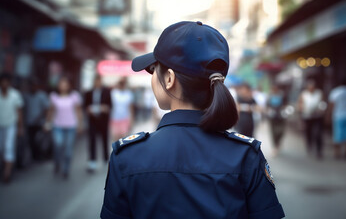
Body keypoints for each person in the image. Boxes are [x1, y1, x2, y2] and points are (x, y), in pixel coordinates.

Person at [101, 21, 285, 219]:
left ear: (169, 79)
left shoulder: (127, 157)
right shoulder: (246, 156)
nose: (153, 78)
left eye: (154, 70)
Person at [45, 76, 83, 179]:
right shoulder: (54, 96)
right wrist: (47, 122)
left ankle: (66, 169)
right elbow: (51, 110)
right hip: (57, 125)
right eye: (61, 84)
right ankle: (57, 162)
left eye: (65, 84)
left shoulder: (74, 96)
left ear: (69, 85)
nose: (63, 86)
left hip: (71, 126)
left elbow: (78, 110)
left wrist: (80, 124)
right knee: (58, 145)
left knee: (68, 150)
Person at [84, 75, 112, 172]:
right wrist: (89, 110)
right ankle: (92, 161)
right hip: (92, 120)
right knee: (92, 140)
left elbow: (110, 106)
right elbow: (85, 106)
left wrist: (104, 108)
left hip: (103, 119)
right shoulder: (88, 92)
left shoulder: (107, 92)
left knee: (104, 139)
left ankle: (105, 159)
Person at [0, 73, 24, 183]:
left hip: (10, 125)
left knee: (9, 148)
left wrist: (20, 127)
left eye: (6, 81)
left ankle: (7, 173)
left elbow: (19, 112)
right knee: (2, 149)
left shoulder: (15, 95)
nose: (4, 84)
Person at [328, 79, 346, 159]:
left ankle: (337, 153)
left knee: (337, 135)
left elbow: (332, 105)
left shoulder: (335, 92)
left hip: (338, 116)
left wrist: (328, 115)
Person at [297, 80, 326, 159]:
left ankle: (319, 150)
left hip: (317, 116)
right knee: (308, 132)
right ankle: (309, 145)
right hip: (307, 116)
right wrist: (301, 109)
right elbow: (300, 104)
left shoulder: (319, 93)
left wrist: (322, 109)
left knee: (318, 133)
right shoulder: (304, 94)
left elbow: (323, 103)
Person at [24, 79, 49, 160]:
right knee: (31, 141)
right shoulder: (27, 96)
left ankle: (40, 155)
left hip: (39, 123)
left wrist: (45, 121)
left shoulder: (42, 96)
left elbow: (46, 109)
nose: (33, 87)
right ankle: (34, 156)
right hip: (30, 123)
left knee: (39, 141)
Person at [267, 84, 286, 157]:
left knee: (281, 131)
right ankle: (275, 146)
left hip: (281, 116)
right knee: (273, 132)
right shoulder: (270, 96)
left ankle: (278, 142)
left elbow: (285, 104)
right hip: (272, 117)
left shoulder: (282, 95)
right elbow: (267, 105)